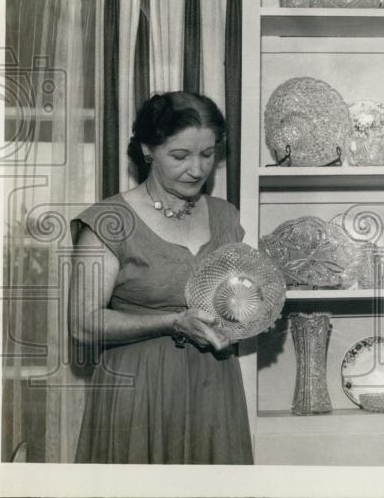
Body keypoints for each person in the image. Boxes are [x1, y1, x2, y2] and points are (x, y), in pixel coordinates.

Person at [69, 91, 252, 464]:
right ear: (148, 150)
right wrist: (174, 322)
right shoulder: (109, 221)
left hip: (214, 389)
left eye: (207, 154)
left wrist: (250, 308)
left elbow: (239, 299)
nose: (197, 170)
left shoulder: (225, 216)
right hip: (138, 392)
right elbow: (82, 324)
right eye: (180, 156)